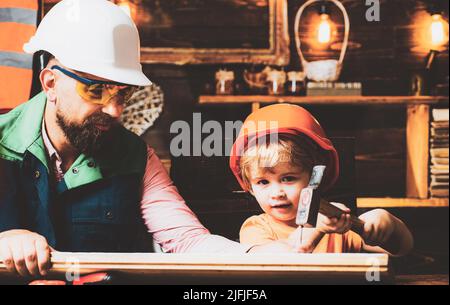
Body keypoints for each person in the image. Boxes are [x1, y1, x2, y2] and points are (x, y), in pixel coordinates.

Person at [0, 0, 250, 278]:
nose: (115, 110)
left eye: (122, 94)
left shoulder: (137, 157)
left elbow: (188, 241)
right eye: (95, 91)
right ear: (50, 83)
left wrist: (258, 255)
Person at [229, 103, 414, 255]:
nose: (277, 193)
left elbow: (402, 249)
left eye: (288, 178)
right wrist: (315, 229)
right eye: (263, 182)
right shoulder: (256, 228)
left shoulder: (338, 225)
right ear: (250, 187)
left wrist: (386, 224)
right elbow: (285, 260)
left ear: (315, 177)